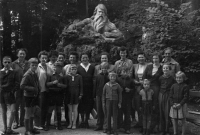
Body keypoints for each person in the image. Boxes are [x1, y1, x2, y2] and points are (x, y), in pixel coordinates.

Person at [143, 52, 163, 132]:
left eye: (156, 58)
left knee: (155, 106)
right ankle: (146, 127)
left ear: (159, 59)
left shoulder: (162, 68)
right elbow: (144, 77)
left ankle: (155, 126)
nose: (155, 60)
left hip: (156, 89)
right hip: (147, 88)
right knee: (146, 106)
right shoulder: (149, 66)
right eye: (154, 58)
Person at [20, 58, 40, 135]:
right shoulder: (27, 74)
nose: (34, 66)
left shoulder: (34, 73)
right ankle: (27, 130)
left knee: (32, 113)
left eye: (36, 65)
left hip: (33, 96)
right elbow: (22, 86)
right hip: (28, 96)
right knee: (28, 113)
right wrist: (33, 88)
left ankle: (31, 129)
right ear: (29, 65)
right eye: (33, 65)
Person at [0, 56, 19, 134]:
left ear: (11, 63)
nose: (7, 64)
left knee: (13, 110)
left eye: (9, 62)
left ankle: (9, 128)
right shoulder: (0, 72)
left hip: (10, 93)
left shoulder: (14, 72)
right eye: (5, 62)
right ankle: (5, 128)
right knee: (3, 110)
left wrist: (13, 90)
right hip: (1, 93)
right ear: (2, 63)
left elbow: (17, 84)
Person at [45, 61, 67, 131]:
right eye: (57, 67)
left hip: (59, 94)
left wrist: (60, 85)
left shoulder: (62, 77)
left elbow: (65, 85)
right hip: (52, 94)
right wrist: (53, 83)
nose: (58, 69)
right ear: (54, 67)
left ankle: (59, 124)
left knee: (58, 109)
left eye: (60, 68)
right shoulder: (50, 75)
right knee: (50, 109)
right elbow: (47, 84)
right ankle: (47, 124)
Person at [12, 48, 30, 129]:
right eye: (20, 53)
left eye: (23, 54)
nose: (22, 55)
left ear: (25, 55)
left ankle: (22, 121)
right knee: (16, 106)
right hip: (16, 88)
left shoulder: (28, 64)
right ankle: (16, 122)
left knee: (23, 106)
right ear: (17, 55)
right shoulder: (13, 64)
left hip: (25, 88)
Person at [132, 51, 150, 131]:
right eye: (139, 57)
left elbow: (150, 76)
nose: (140, 59)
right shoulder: (135, 66)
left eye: (142, 57)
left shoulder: (149, 65)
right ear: (137, 58)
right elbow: (132, 76)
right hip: (137, 88)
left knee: (144, 105)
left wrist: (145, 82)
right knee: (137, 105)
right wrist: (135, 81)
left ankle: (145, 124)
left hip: (145, 88)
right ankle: (140, 122)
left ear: (145, 58)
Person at [77, 52, 95, 128]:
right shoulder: (78, 67)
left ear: (88, 58)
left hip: (90, 90)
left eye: (86, 57)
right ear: (81, 59)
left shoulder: (92, 67)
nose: (84, 59)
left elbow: (94, 78)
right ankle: (82, 121)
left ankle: (86, 121)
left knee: (88, 105)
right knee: (81, 105)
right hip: (81, 89)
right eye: (83, 58)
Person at [37, 51, 54, 129]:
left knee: (47, 107)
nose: (44, 59)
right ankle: (41, 124)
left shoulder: (49, 67)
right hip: (41, 90)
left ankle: (47, 123)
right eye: (42, 58)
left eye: (45, 58)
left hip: (49, 90)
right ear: (39, 58)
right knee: (41, 107)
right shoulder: (37, 67)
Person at [159, 64, 176, 135]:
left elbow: (174, 87)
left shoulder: (172, 78)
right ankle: (162, 130)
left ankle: (167, 130)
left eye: (167, 68)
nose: (165, 69)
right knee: (161, 112)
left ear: (170, 70)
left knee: (167, 112)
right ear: (162, 70)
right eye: (164, 68)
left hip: (168, 95)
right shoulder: (160, 78)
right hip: (161, 95)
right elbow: (159, 85)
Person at [63, 51, 79, 126]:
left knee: (76, 107)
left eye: (73, 57)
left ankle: (76, 122)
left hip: (75, 89)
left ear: (76, 59)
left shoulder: (78, 66)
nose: (72, 58)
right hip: (68, 89)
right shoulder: (66, 67)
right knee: (68, 107)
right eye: (71, 57)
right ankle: (68, 121)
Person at [117, 67, 135, 134]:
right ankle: (119, 126)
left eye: (126, 72)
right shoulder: (118, 79)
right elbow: (115, 88)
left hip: (128, 99)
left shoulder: (131, 80)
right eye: (123, 71)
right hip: (120, 98)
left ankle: (127, 128)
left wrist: (130, 90)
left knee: (127, 114)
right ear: (121, 72)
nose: (125, 73)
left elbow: (134, 89)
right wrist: (119, 90)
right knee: (119, 113)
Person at [93, 62, 109, 132]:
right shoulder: (98, 76)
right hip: (99, 95)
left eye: (105, 68)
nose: (104, 69)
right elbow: (95, 86)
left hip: (107, 96)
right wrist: (94, 95)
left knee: (105, 111)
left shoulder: (109, 76)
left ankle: (106, 126)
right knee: (99, 110)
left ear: (107, 69)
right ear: (100, 68)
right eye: (103, 68)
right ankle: (99, 125)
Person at [66, 64, 83, 129]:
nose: (73, 70)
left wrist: (81, 94)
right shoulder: (67, 77)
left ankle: (74, 123)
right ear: (70, 70)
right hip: (69, 94)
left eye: (75, 69)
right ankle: (70, 123)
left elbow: (81, 86)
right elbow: (66, 86)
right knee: (70, 109)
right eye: (72, 69)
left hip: (76, 94)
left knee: (75, 109)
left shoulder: (79, 77)